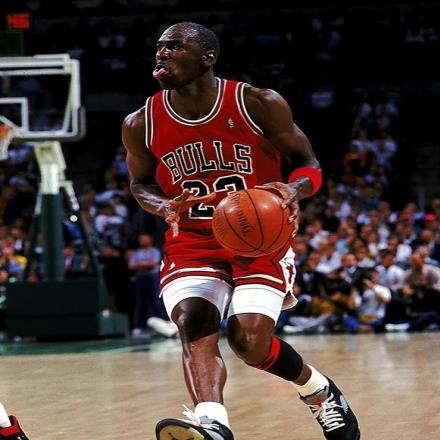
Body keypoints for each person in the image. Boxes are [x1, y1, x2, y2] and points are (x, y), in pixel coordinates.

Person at [122, 22, 360, 440]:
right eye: (159, 47)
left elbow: (309, 165)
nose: (161, 53)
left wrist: (294, 189)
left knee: (249, 342)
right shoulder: (141, 122)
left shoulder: (257, 102)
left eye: (174, 46)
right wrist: (164, 205)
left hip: (259, 238)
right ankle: (213, 424)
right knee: (194, 322)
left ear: (207, 58)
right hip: (192, 240)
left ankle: (319, 391)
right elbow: (140, 184)